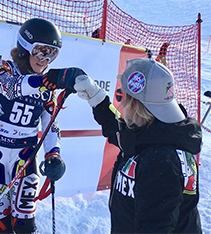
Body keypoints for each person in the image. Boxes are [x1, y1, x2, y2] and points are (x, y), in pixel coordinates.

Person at [0, 18, 85, 233]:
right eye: (41, 52)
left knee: (25, 225)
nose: (45, 60)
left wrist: (53, 154)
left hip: (25, 158)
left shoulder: (46, 86)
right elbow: (11, 88)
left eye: (52, 54)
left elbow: (51, 123)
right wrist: (47, 80)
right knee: (0, 227)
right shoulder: (1, 68)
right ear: (25, 47)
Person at [71, 58, 202, 233]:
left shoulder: (160, 160)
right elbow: (119, 132)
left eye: (125, 96)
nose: (122, 102)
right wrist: (96, 97)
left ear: (136, 104)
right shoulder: (153, 134)